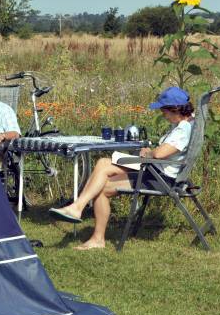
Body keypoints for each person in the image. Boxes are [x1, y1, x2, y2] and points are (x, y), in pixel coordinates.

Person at [49, 87, 194, 250]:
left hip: (158, 177)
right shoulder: (186, 123)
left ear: (175, 109)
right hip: (151, 168)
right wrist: (149, 153)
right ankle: (78, 208)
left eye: (164, 110)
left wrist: (150, 152)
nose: (162, 114)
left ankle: (92, 231)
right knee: (103, 162)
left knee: (102, 187)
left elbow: (160, 154)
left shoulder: (183, 128)